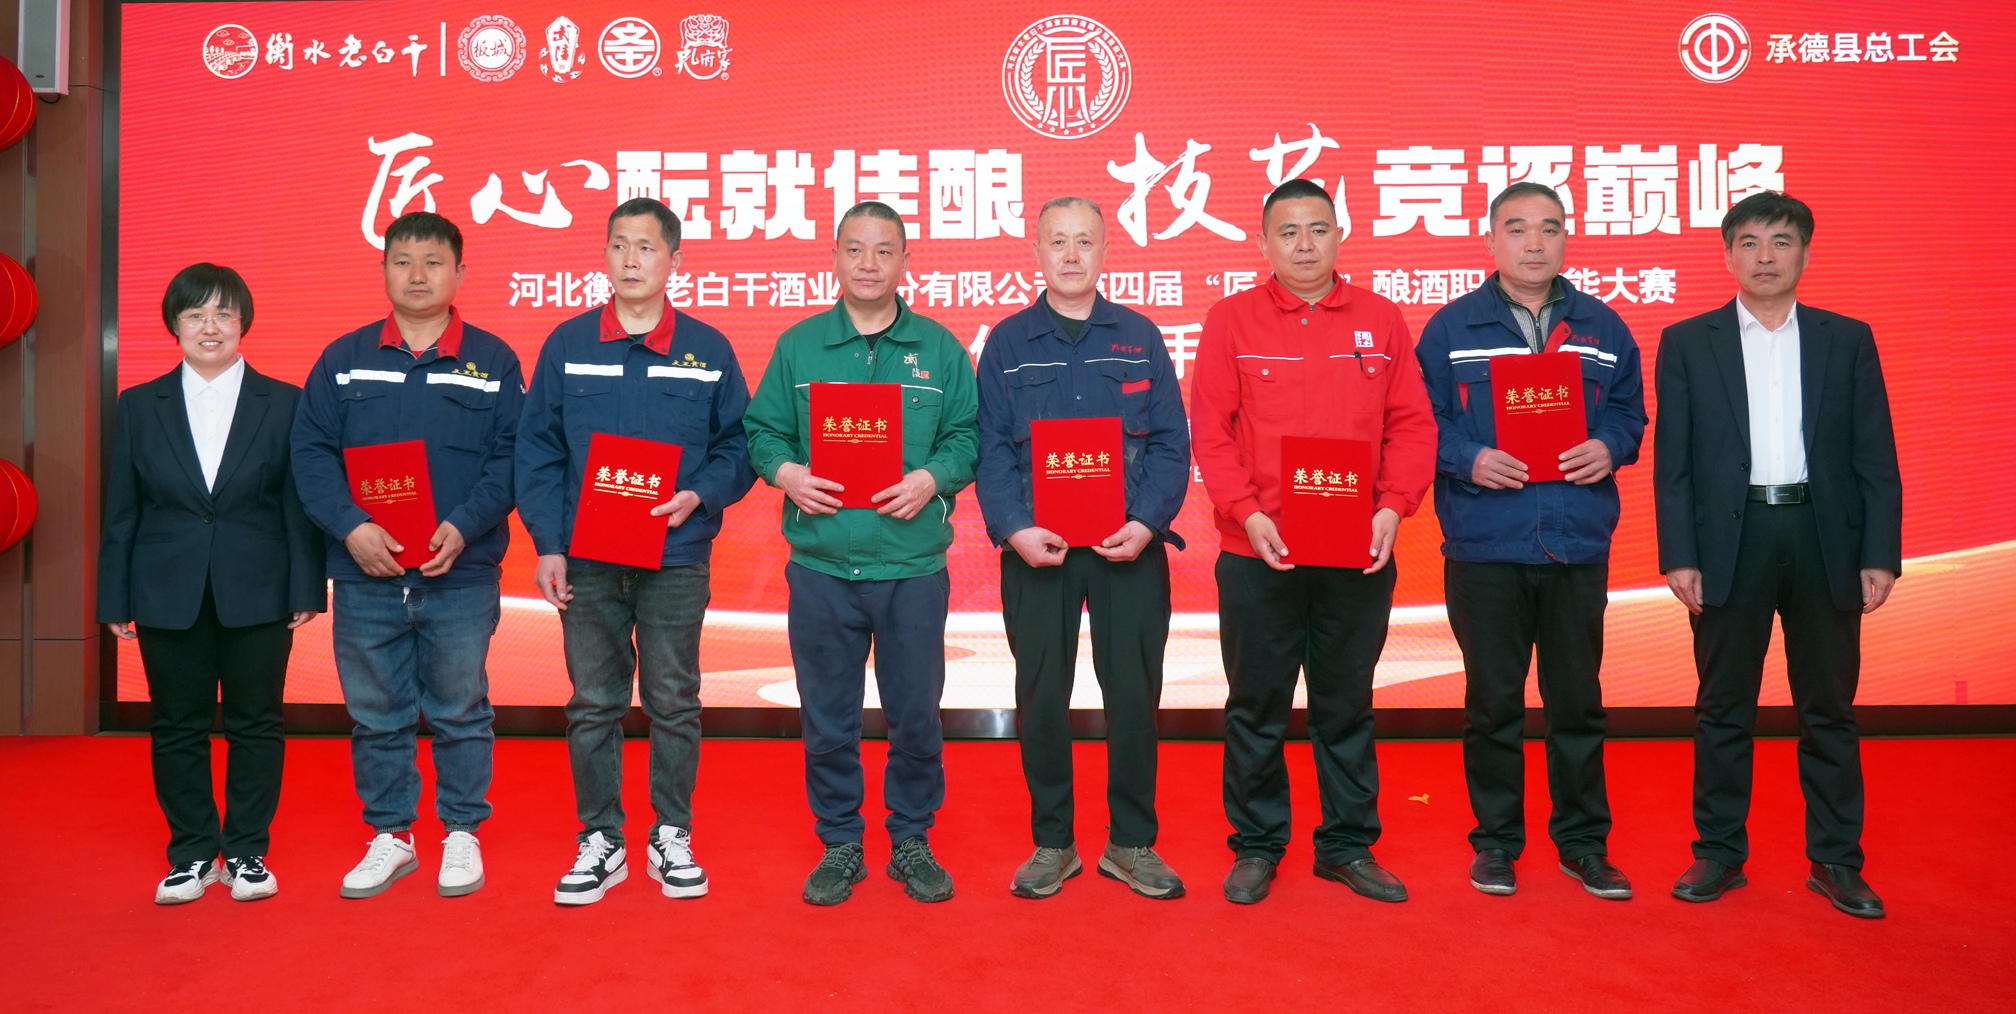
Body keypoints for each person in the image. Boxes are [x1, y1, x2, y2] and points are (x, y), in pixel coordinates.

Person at [1654, 191, 1901, 919]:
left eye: (1782, 242)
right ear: (1729, 254)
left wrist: (1879, 552)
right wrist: (1680, 554)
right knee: (1722, 705)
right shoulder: (1687, 341)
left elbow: (1875, 454)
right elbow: (1674, 462)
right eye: (1751, 243)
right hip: (1731, 540)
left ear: (1805, 253)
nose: (1766, 257)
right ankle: (1718, 854)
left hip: (1825, 538)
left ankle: (1836, 861)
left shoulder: (1846, 338)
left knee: (1829, 707)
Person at [1190, 179, 1435, 905]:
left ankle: (1347, 846)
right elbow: (1211, 431)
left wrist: (1393, 507)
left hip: (1356, 551)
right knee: (1256, 704)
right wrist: (1245, 512)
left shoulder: (1380, 319)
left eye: (1318, 229)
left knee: (1346, 702)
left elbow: (1412, 424)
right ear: (1264, 242)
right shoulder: (1230, 320)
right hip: (1257, 550)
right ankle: (1257, 845)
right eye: (1289, 231)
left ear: (1339, 235)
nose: (1304, 244)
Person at [516, 197, 756, 905]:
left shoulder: (707, 349)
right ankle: (601, 837)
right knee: (593, 702)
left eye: (646, 247)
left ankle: (671, 831)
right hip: (586, 559)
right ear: (604, 256)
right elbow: (538, 450)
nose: (630, 259)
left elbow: (739, 446)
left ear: (674, 260)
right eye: (619, 245)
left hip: (675, 556)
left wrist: (700, 495)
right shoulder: (568, 344)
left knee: (673, 700)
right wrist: (548, 544)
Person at [1413, 181, 1647, 901]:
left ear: (1567, 238)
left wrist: (1611, 446)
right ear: (1490, 240)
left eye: (1549, 228)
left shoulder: (1603, 327)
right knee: (1493, 704)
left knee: (1578, 703)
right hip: (1486, 543)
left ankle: (1583, 843)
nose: (1534, 243)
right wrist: (1468, 458)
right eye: (1517, 228)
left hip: (1576, 542)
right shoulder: (1451, 329)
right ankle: (1496, 844)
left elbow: (1630, 414)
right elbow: (1419, 422)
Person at [743, 201, 979, 906]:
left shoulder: (940, 349)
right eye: (855, 249)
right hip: (822, 568)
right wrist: (787, 473)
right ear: (835, 258)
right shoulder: (799, 347)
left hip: (911, 569)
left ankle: (911, 838)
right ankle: (840, 841)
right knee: (827, 718)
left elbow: (967, 437)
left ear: (905, 261)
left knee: (916, 717)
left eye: (883, 251)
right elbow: (762, 432)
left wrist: (931, 478)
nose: (868, 264)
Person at [291, 212, 523, 899]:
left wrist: (466, 525)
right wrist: (350, 527)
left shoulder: (494, 361)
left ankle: (461, 831)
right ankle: (390, 835)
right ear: (384, 269)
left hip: (460, 572)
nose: (417, 275)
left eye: (432, 262)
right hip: (366, 573)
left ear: (459, 272)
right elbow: (310, 453)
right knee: (375, 713)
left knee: (461, 708)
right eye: (402, 261)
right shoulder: (343, 358)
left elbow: (512, 457)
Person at [975, 197, 1191, 899]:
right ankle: (1053, 842)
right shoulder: (1008, 343)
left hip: (1128, 545)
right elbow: (990, 450)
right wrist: (1014, 529)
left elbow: (1171, 442)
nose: (1071, 256)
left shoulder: (1139, 336)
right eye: (1058, 242)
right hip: (1039, 549)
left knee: (1134, 694)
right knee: (1041, 694)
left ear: (1105, 250)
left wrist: (1149, 521)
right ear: (1036, 252)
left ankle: (1131, 842)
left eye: (1085, 242)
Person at [98, 263, 325, 904]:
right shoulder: (139, 404)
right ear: (173, 325)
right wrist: (114, 595)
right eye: (195, 314)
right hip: (165, 588)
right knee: (177, 725)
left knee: (257, 722)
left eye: (224, 313)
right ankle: (192, 852)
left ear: (243, 323)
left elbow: (297, 505)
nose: (210, 327)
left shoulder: (284, 401)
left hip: (259, 586)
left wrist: (305, 588)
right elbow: (122, 509)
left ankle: (248, 850)